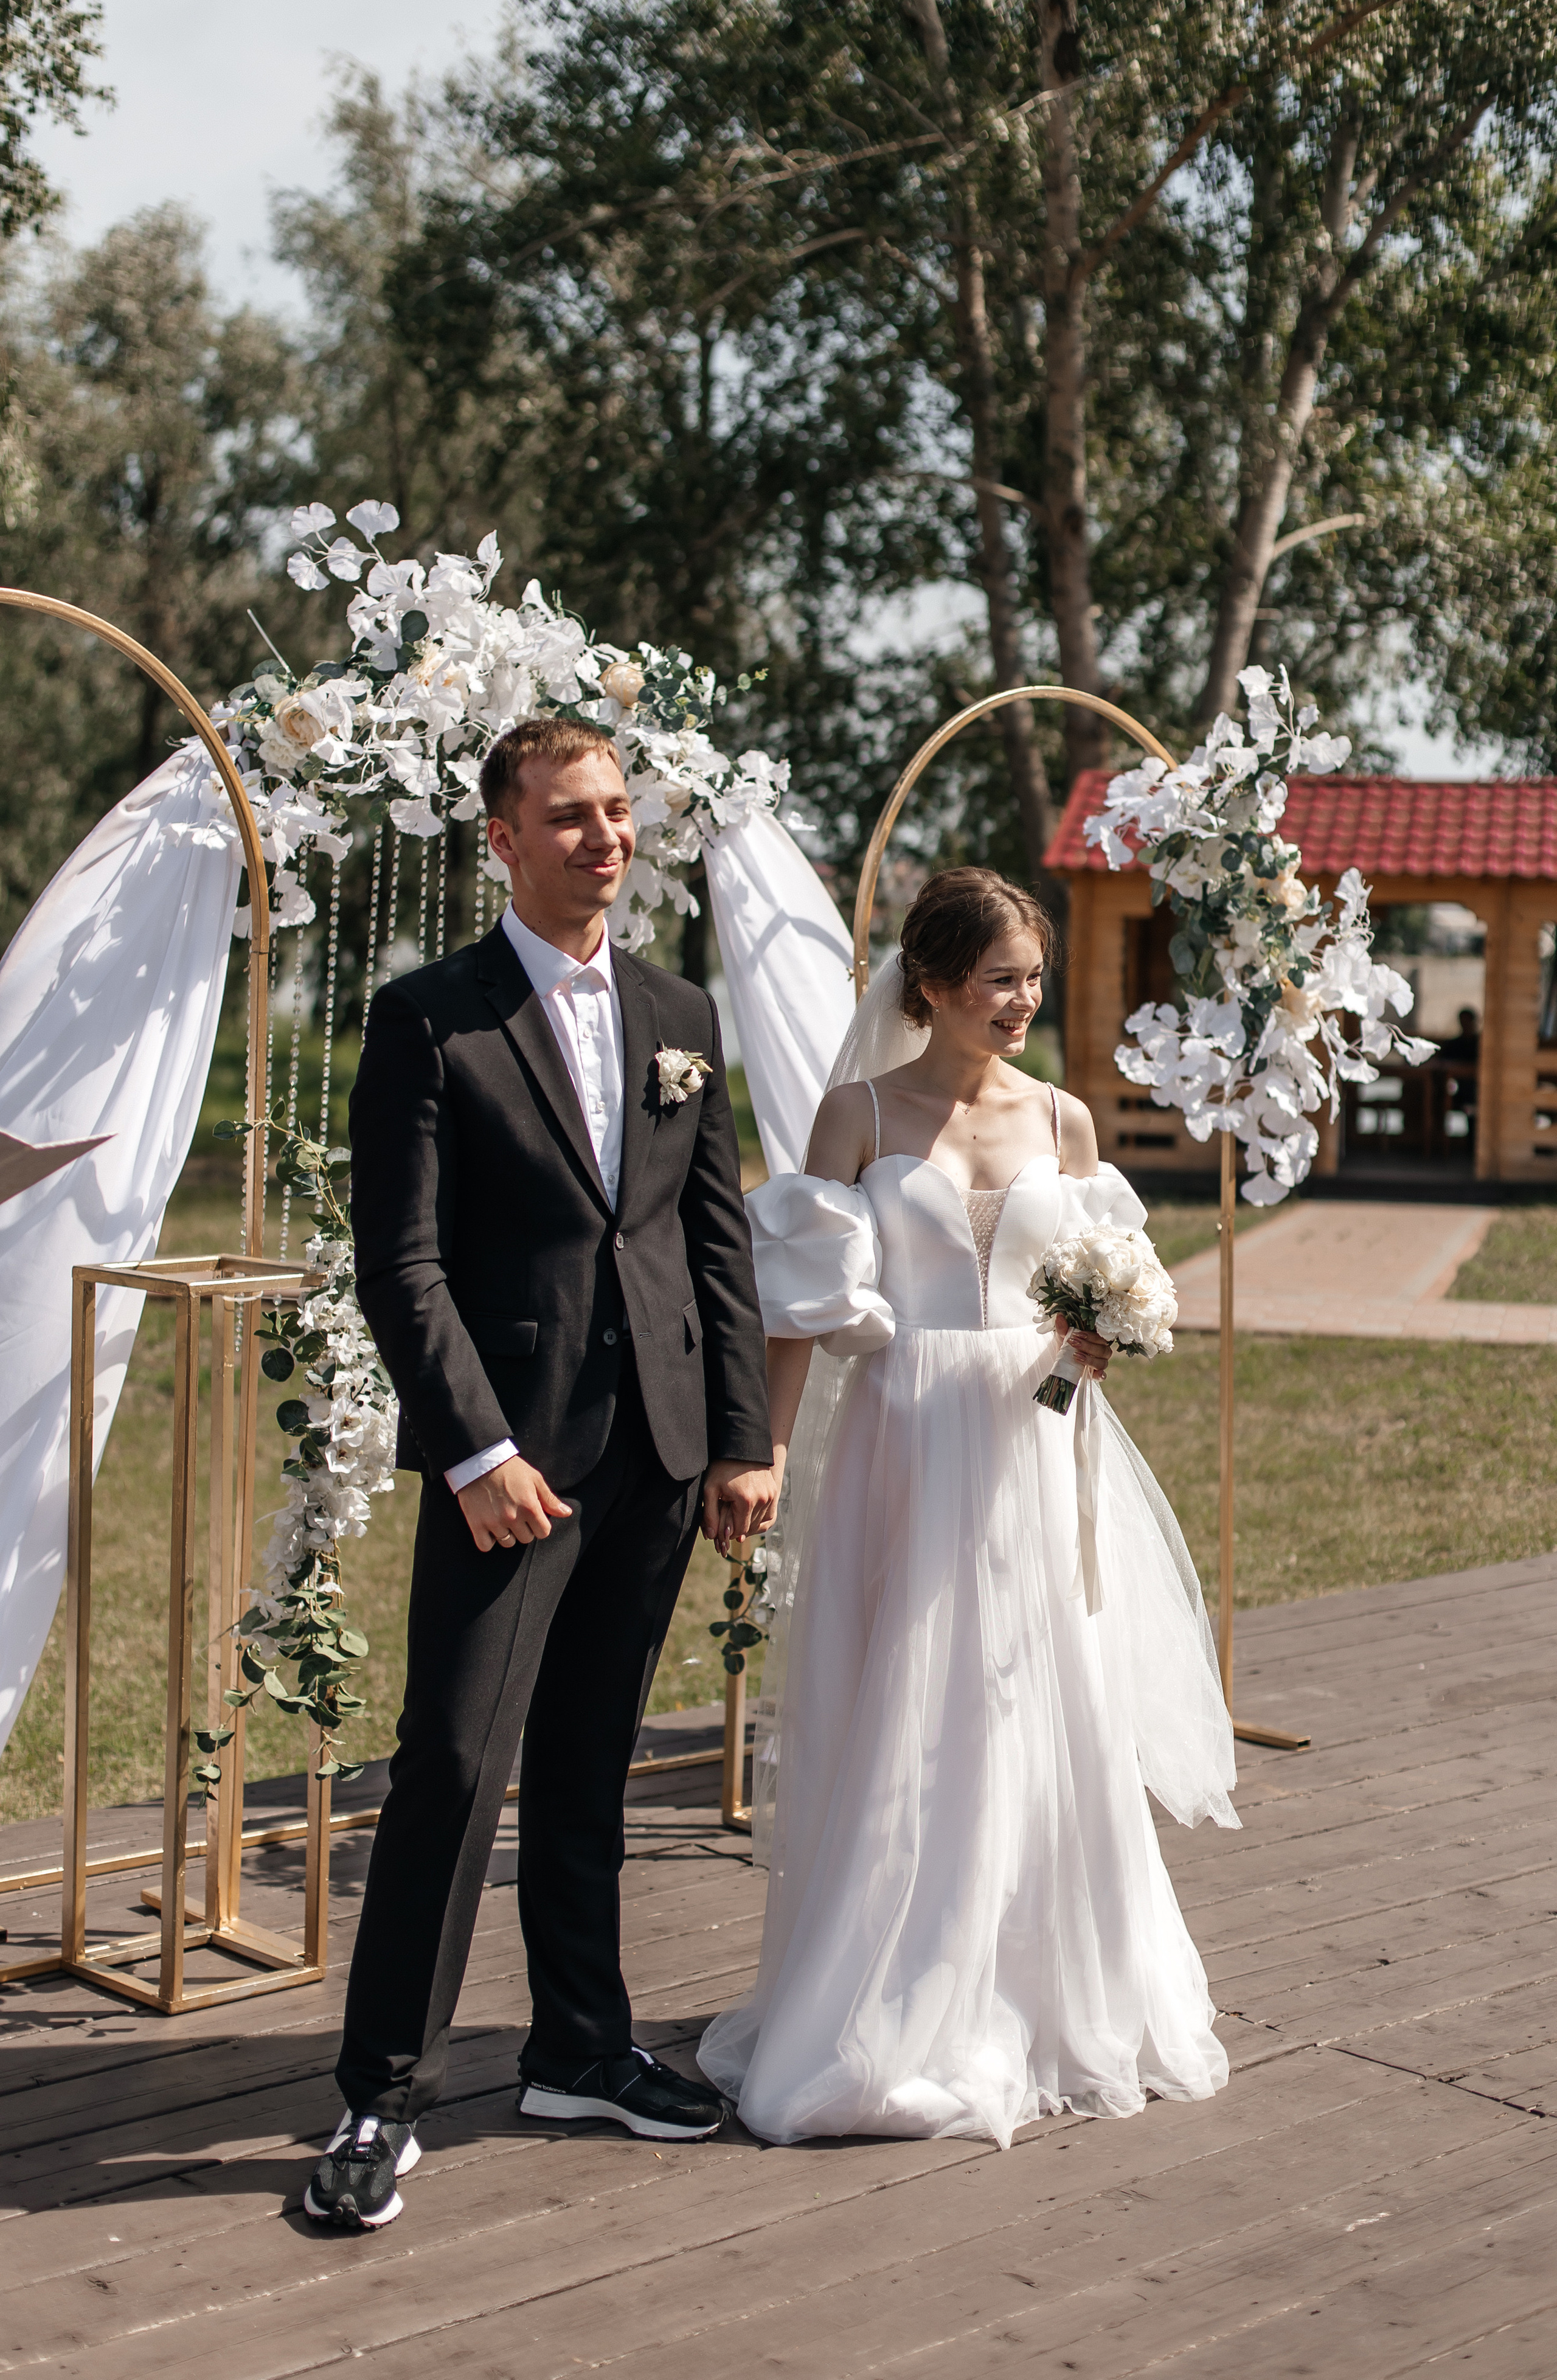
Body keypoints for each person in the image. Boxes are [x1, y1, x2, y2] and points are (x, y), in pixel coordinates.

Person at [308, 716, 775, 2230]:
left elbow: (713, 1239)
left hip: (654, 1451)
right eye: (568, 815)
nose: (604, 837)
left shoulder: (675, 1006)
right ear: (503, 836)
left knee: (591, 1761)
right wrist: (476, 1451)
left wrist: (740, 1438)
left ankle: (579, 2044)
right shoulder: (429, 1018)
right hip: (508, 1468)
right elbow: (404, 1262)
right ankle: (379, 2094)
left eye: (618, 811)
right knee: (451, 1763)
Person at [699, 868, 1238, 2148]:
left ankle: (1042, 1983)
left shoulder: (1062, 1121)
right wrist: (759, 1452)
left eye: (1030, 979)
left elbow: (1104, 1281)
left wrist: (1101, 1336)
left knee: (1039, 1688)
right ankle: (888, 1993)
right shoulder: (856, 1115)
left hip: (1037, 1441)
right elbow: (799, 1309)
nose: (1020, 1000)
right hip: (906, 1432)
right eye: (997, 977)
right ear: (930, 983)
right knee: (910, 1697)